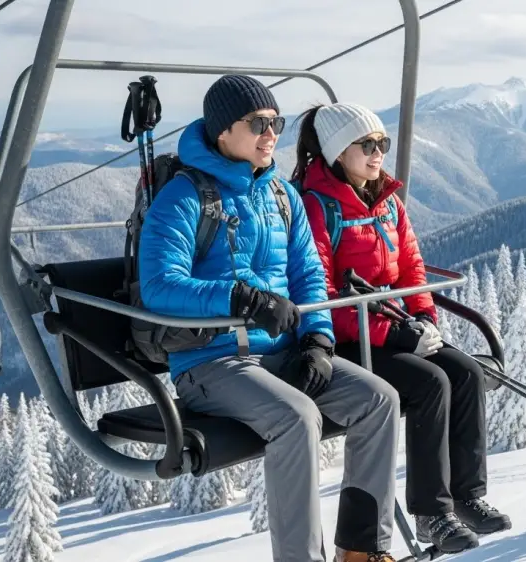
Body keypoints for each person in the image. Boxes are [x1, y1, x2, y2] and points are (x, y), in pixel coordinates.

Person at [138, 75, 401, 562]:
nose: (271, 134)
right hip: (211, 362)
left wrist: (318, 341)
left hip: (278, 354)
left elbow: (307, 277)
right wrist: (242, 299)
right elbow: (159, 286)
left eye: (275, 122)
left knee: (379, 400)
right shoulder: (184, 197)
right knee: (296, 419)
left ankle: (362, 551)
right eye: (257, 123)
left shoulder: (280, 195)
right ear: (222, 132)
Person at [291, 102, 512, 554]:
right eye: (367, 145)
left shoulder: (386, 201)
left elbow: (410, 267)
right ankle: (432, 513)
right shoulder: (317, 206)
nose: (378, 154)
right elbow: (323, 297)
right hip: (349, 341)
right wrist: (394, 334)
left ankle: (466, 496)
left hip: (395, 326)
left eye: (382, 144)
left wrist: (424, 318)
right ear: (337, 152)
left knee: (465, 372)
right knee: (430, 383)